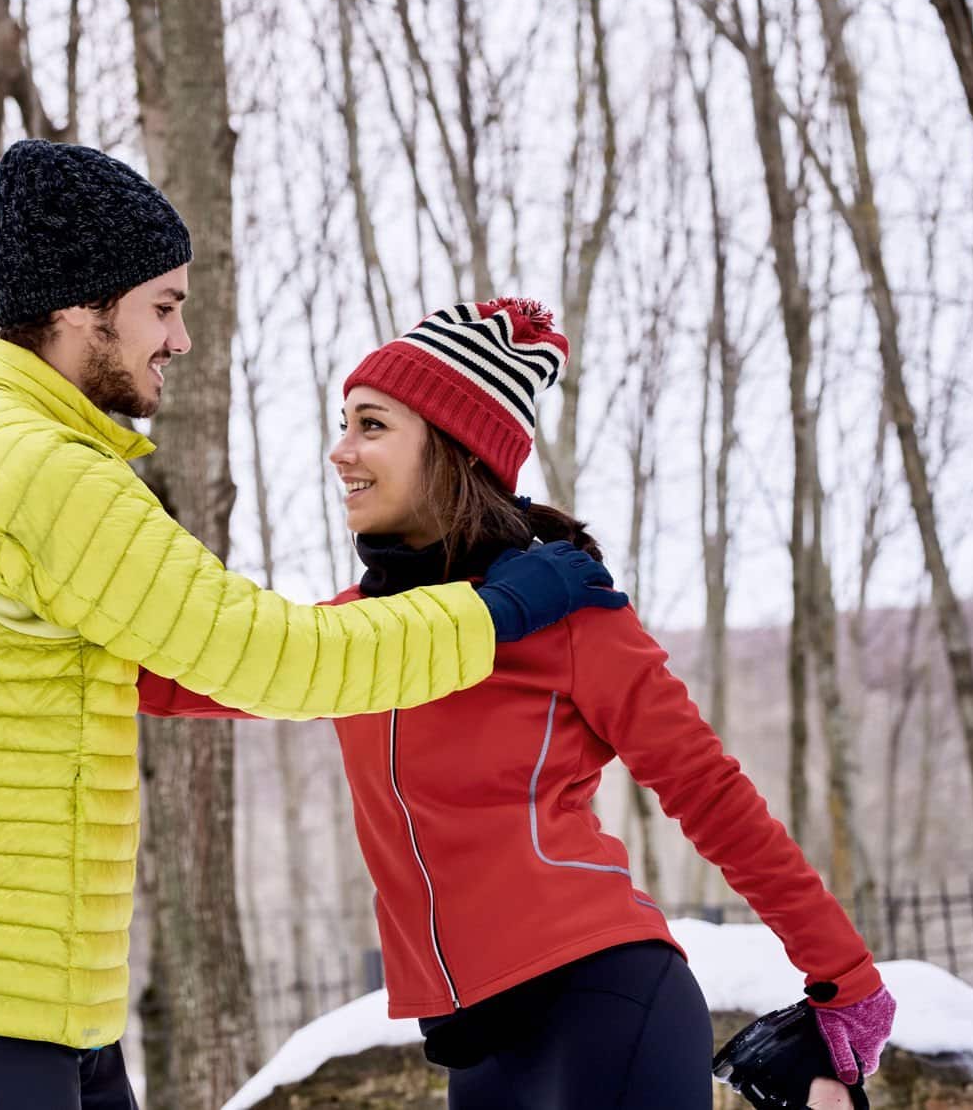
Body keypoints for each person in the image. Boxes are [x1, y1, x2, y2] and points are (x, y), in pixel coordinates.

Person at [0, 141, 630, 1109]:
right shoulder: (49, 477)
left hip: (37, 1005)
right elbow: (276, 657)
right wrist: (503, 607)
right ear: (80, 307)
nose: (178, 339)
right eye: (162, 308)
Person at [139, 299, 895, 1110]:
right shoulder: (350, 634)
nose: (339, 450)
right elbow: (164, 682)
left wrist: (843, 974)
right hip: (480, 1050)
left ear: (453, 447)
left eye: (370, 425)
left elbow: (709, 793)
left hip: (602, 1002)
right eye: (342, 423)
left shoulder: (570, 611)